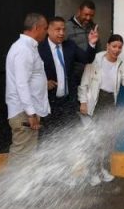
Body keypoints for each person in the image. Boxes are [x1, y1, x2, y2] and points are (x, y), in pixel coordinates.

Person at [78, 33, 124, 184]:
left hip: (109, 102)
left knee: (105, 139)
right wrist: (83, 101)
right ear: (107, 46)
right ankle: (92, 173)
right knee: (93, 139)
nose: (116, 50)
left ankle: (102, 169)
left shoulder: (120, 65)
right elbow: (84, 82)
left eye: (119, 47)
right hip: (94, 102)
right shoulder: (96, 59)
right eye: (114, 46)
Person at [38, 15, 98, 138]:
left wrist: (91, 44)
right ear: (48, 30)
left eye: (64, 30)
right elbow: (31, 74)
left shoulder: (70, 45)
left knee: (71, 137)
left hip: (68, 102)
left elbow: (86, 59)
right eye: (58, 29)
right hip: (50, 103)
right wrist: (43, 83)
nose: (61, 33)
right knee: (49, 139)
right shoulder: (39, 49)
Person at [5, 13, 50, 160]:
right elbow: (21, 84)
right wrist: (31, 113)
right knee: (21, 158)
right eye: (45, 28)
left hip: (27, 111)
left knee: (27, 157)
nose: (46, 32)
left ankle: (21, 183)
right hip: (24, 112)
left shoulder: (28, 47)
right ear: (36, 28)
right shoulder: (23, 49)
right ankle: (14, 184)